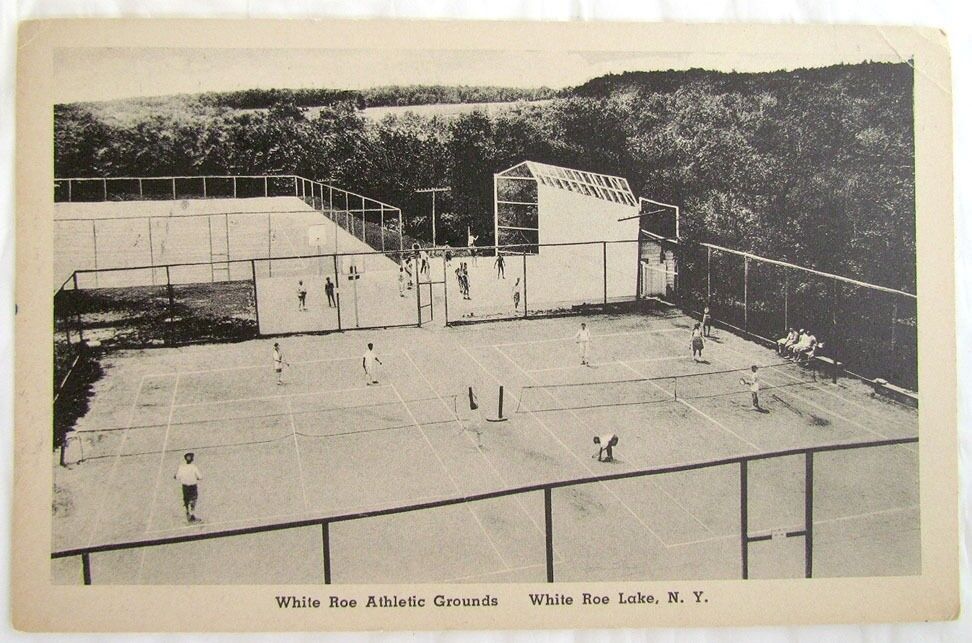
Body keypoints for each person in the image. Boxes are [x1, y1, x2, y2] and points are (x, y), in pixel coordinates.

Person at [174, 452, 203, 523]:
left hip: (185, 486)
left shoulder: (181, 467)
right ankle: (192, 514)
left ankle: (187, 512)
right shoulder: (194, 467)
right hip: (193, 486)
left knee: (186, 500)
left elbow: (177, 477)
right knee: (193, 500)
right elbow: (200, 477)